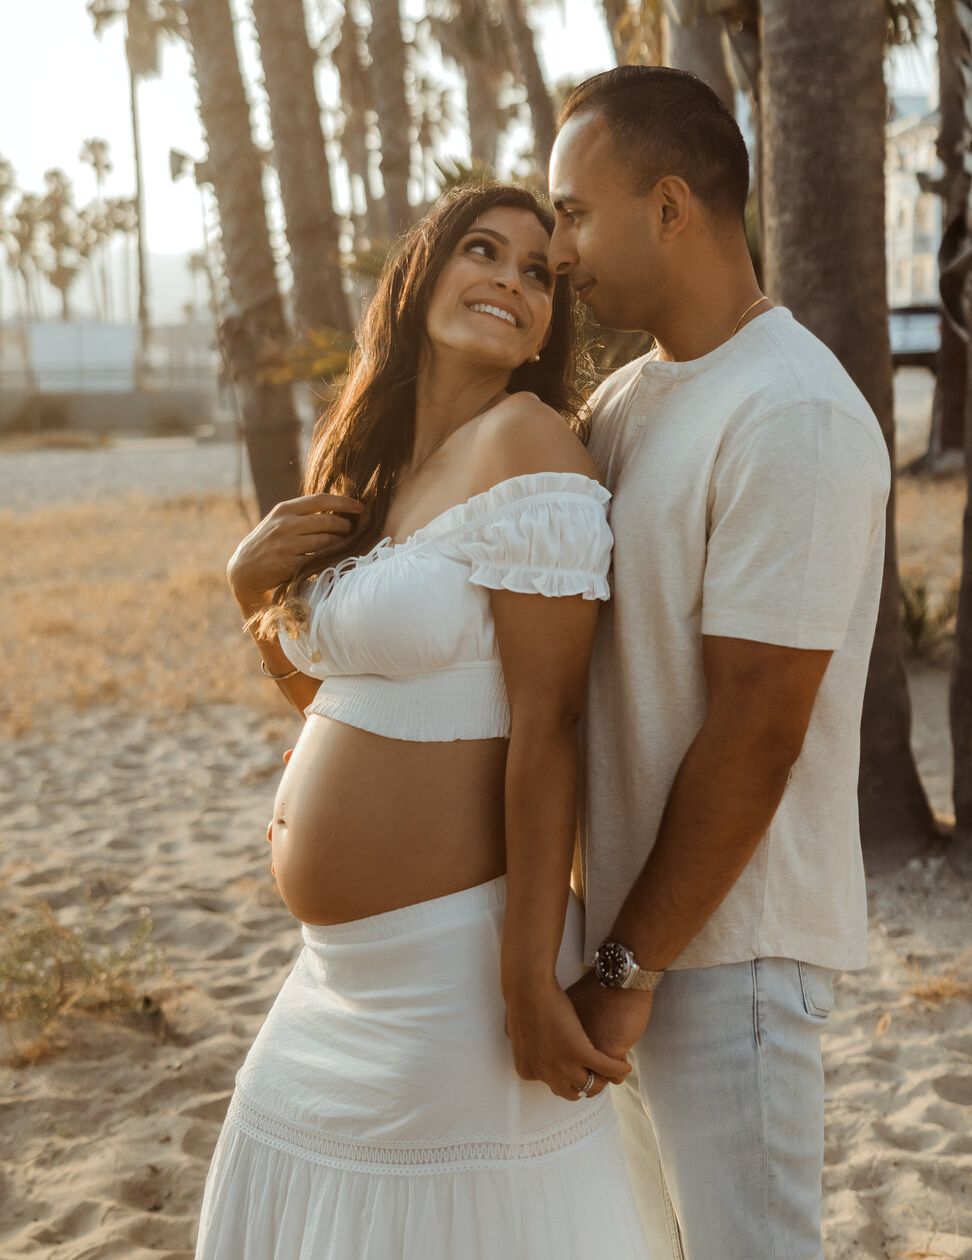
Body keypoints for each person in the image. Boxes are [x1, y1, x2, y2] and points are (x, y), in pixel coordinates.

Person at [197, 184, 650, 1260]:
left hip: (455, 969)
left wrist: (526, 976)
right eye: (482, 250)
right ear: (423, 275)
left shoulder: (527, 443)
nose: (508, 278)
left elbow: (551, 727)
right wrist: (245, 594)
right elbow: (352, 707)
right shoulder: (382, 475)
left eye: (538, 272)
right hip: (332, 974)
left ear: (548, 320)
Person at [547, 67, 892, 1260]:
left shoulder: (794, 412)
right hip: (625, 939)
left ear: (672, 206)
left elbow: (760, 724)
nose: (559, 250)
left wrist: (631, 967)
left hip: (725, 953)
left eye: (576, 213)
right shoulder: (632, 402)